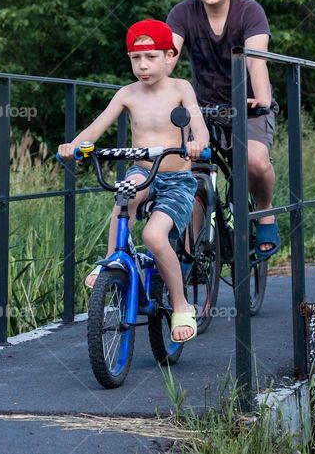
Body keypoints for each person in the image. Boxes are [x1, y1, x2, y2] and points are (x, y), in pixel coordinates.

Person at [58, 19, 209, 343]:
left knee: (154, 235)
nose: (143, 65)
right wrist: (74, 145)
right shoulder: (127, 93)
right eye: (135, 58)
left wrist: (198, 142)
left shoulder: (180, 88)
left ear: (169, 56)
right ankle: (114, 260)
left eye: (151, 57)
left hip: (176, 178)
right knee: (123, 198)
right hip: (142, 171)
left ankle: (181, 305)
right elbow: (96, 128)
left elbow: (198, 123)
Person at [166, 0, 280, 260]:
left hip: (248, 104)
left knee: (254, 160)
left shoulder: (249, 11)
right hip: (202, 108)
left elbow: (256, 59)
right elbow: (167, 58)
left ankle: (266, 212)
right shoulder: (182, 13)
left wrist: (263, 97)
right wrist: (155, 91)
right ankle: (187, 256)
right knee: (190, 172)